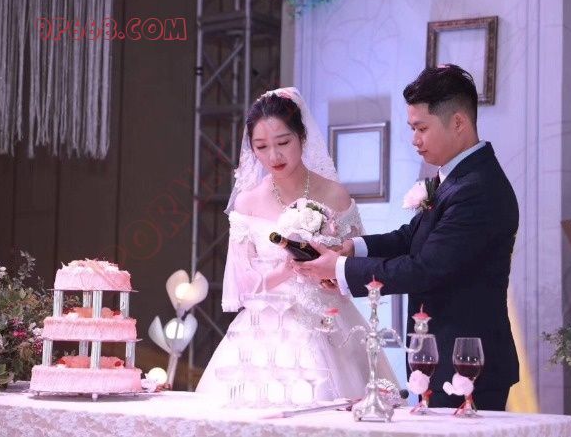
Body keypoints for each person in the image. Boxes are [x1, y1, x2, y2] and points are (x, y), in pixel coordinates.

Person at [293, 65, 520, 411]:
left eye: (421, 128)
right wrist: (352, 248)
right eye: (412, 128)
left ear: (458, 123)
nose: (414, 140)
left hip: (467, 362)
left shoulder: (478, 188)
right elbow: (411, 236)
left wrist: (339, 269)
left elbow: (426, 268)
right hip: (441, 358)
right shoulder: (457, 178)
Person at [196, 87, 397, 401]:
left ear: (302, 137)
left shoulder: (335, 195)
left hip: (329, 320)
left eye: (283, 143)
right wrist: (288, 269)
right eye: (261, 147)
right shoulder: (248, 203)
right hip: (264, 332)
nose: (273, 156)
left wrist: (330, 274)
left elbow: (355, 268)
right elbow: (243, 287)